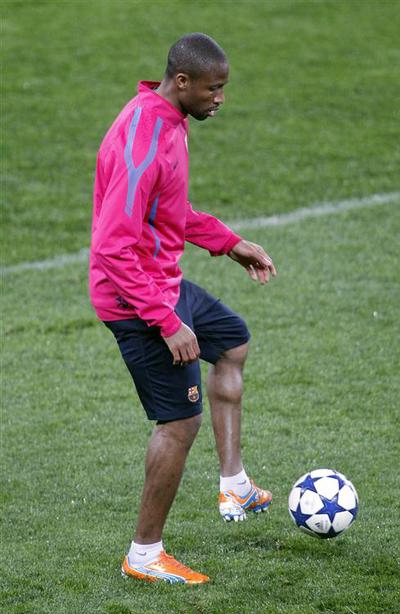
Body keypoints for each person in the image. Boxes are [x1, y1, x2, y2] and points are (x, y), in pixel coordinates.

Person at [89, 32, 277, 585]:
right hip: (134, 298)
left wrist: (228, 242)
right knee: (178, 422)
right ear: (182, 81)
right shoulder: (144, 142)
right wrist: (166, 322)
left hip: (162, 281)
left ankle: (234, 486)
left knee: (232, 341)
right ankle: (144, 554)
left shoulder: (169, 121)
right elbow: (111, 247)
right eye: (213, 89)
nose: (220, 98)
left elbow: (169, 210)